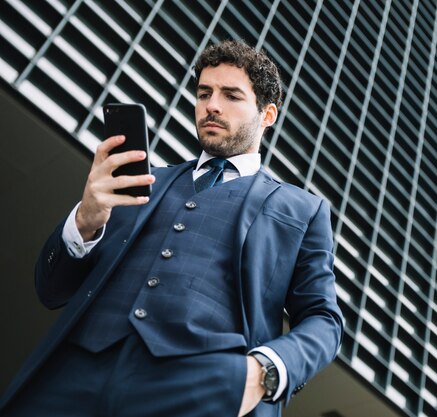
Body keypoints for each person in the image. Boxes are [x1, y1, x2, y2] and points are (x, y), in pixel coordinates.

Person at [0, 39, 343, 417]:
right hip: (71, 380)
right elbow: (51, 290)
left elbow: (323, 319)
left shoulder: (303, 210)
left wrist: (263, 371)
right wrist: (85, 220)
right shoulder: (141, 179)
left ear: (267, 115)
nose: (211, 105)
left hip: (201, 391)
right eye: (204, 93)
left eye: (231, 95)